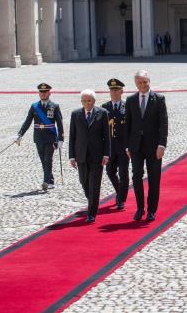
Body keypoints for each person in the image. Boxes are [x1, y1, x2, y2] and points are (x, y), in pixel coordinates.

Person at [124, 70, 168, 221]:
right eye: (139, 82)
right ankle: (140, 208)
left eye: (145, 82)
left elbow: (164, 123)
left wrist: (162, 145)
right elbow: (127, 125)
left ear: (149, 81)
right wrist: (127, 146)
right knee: (136, 176)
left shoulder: (159, 99)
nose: (142, 85)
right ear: (136, 83)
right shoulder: (130, 100)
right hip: (136, 146)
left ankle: (151, 210)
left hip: (154, 146)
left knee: (154, 178)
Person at [69, 90, 110, 223]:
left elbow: (107, 136)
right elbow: (72, 137)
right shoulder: (75, 114)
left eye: (89, 101)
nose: (87, 103)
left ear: (94, 101)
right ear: (81, 102)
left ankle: (92, 212)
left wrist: (106, 154)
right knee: (83, 181)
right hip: (81, 154)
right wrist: (72, 156)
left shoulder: (102, 113)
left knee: (95, 184)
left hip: (97, 155)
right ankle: (92, 199)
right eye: (84, 101)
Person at [16, 83, 64, 191]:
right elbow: (27, 121)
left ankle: (46, 182)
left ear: (49, 93)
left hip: (50, 137)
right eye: (41, 92)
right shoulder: (34, 107)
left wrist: (61, 139)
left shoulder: (54, 106)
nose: (42, 94)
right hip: (38, 137)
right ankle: (50, 180)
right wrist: (20, 134)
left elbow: (60, 124)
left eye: (45, 92)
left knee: (48, 160)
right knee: (43, 160)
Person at [102, 78, 129, 210]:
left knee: (124, 174)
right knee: (110, 171)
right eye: (111, 90)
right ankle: (119, 191)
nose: (113, 92)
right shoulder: (104, 108)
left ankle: (121, 199)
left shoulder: (127, 107)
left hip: (124, 147)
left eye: (116, 89)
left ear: (121, 91)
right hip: (110, 147)